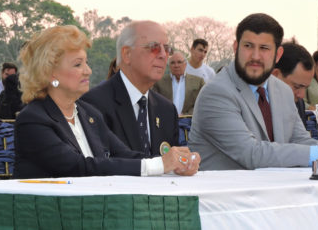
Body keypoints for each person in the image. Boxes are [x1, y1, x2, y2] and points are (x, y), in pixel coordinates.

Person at [14, 25, 199, 179]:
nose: (88, 71)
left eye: (87, 63)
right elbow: (79, 167)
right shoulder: (32, 120)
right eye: (78, 64)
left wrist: (175, 162)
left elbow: (125, 155)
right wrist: (159, 164)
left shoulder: (89, 114)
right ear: (50, 72)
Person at [188, 13, 318, 170]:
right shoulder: (216, 93)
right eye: (248, 46)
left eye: (264, 48)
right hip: (225, 194)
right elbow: (251, 154)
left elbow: (300, 141)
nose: (255, 56)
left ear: (278, 55)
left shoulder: (283, 91)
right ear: (236, 48)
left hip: (276, 192)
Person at [82, 21, 180, 156]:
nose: (163, 55)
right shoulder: (93, 104)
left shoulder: (167, 110)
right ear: (127, 54)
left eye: (167, 49)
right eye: (154, 47)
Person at [272, 40, 314, 125]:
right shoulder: (248, 104)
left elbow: (301, 138)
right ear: (275, 75)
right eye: (297, 87)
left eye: (305, 88)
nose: (302, 95)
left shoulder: (298, 104)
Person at [152, 51, 205, 115]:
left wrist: (186, 115)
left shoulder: (198, 82)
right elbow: (154, 103)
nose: (176, 65)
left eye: (179, 62)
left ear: (185, 64)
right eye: (173, 63)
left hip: (189, 121)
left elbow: (202, 103)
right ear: (169, 65)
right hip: (166, 120)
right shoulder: (159, 82)